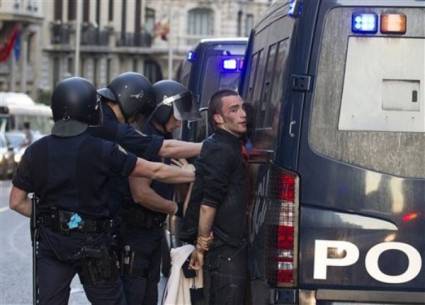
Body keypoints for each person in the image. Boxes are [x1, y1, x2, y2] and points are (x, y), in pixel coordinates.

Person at [9, 77, 195, 305]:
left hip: (52, 244)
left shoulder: (34, 151)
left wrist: (57, 218)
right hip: (94, 245)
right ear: (91, 110)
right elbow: (154, 171)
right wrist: (195, 172)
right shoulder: (103, 150)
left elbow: (17, 201)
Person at [121, 79, 201, 305]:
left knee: (149, 295)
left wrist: (187, 176)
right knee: (135, 296)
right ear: (162, 110)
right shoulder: (143, 141)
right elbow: (140, 193)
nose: (178, 123)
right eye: (175, 116)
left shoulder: (165, 140)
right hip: (135, 232)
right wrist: (174, 209)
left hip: (153, 232)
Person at [188, 89, 249, 305]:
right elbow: (208, 203)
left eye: (243, 107)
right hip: (224, 252)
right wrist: (201, 246)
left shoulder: (225, 143)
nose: (243, 114)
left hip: (229, 248)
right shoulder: (222, 148)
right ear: (218, 118)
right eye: (234, 110)